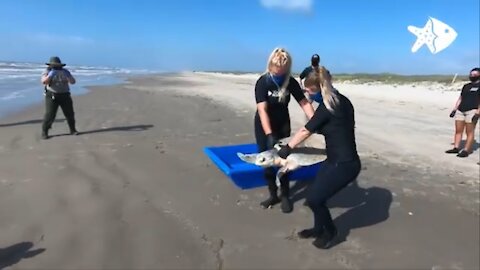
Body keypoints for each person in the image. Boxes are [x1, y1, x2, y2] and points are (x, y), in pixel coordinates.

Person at [276, 66, 361, 249]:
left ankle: (331, 231)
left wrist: (288, 148)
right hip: (334, 160)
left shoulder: (328, 107)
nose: (305, 92)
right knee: (316, 196)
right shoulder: (342, 101)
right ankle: (318, 228)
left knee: (315, 199)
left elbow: (306, 130)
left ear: (320, 87)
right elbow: (328, 126)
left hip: (345, 164)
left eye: (307, 89)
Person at [254, 47, 315, 213]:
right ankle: (273, 194)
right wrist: (268, 134)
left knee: (285, 160)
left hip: (282, 124)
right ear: (271, 65)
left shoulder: (290, 82)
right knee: (265, 162)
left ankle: (286, 195)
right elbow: (262, 110)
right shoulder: (263, 82)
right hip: (264, 125)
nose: (278, 73)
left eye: (282, 70)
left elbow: (304, 103)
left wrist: (316, 121)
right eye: (276, 70)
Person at [40, 56, 79, 139]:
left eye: (57, 66)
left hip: (65, 95)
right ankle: (45, 131)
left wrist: (68, 76)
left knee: (70, 114)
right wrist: (50, 75)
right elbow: (44, 82)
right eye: (54, 66)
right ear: (50, 65)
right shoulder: (47, 71)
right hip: (52, 95)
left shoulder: (65, 71)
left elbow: (73, 82)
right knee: (50, 115)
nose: (56, 67)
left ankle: (73, 130)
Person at [445, 67, 480, 158]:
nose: (472, 76)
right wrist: (455, 109)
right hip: (461, 110)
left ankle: (466, 150)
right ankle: (456, 147)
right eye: (471, 74)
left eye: (475, 74)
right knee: (458, 130)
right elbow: (461, 98)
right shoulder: (466, 86)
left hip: (472, 111)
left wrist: (478, 112)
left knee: (469, 132)